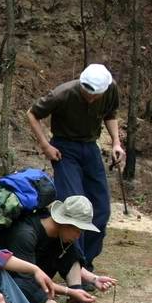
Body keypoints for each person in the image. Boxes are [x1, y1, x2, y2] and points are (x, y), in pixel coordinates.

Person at [26, 63, 125, 271]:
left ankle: (86, 263)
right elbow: (32, 114)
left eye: (94, 95)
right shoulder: (63, 93)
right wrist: (46, 145)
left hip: (90, 148)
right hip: (65, 149)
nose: (90, 98)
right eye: (86, 92)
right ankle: (75, 267)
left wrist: (116, 142)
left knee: (101, 209)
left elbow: (111, 114)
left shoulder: (111, 88)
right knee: (73, 206)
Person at [0, 196, 118, 303]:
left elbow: (68, 259)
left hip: (35, 271)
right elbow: (29, 279)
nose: (79, 236)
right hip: (8, 277)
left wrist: (93, 279)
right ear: (66, 223)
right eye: (78, 231)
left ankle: (76, 302)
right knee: (25, 286)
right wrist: (68, 291)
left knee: (69, 248)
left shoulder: (58, 231)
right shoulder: (25, 235)